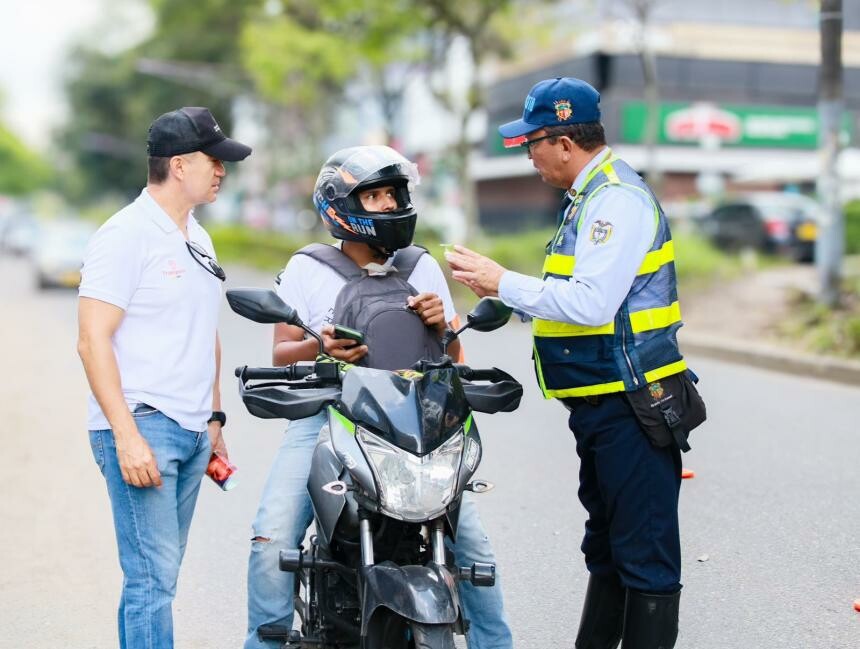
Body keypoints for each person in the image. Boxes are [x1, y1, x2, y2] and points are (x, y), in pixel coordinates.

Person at [446, 78, 689, 648]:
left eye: (531, 144)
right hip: (603, 403)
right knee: (607, 547)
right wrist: (506, 292)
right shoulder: (588, 197)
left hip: (633, 402)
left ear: (562, 142)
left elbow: (591, 303)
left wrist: (503, 282)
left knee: (644, 553)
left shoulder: (616, 200)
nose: (528, 156)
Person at [244, 145, 513, 649]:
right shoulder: (307, 268)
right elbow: (281, 353)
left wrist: (441, 326)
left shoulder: (420, 266)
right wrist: (321, 346)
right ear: (341, 207)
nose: (389, 204)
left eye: (392, 193)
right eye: (374, 195)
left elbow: (454, 355)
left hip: (414, 423)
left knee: (475, 549)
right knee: (271, 540)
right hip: (328, 416)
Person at [77, 107, 251, 649]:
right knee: (151, 580)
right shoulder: (124, 235)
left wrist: (215, 417)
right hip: (144, 425)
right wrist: (126, 437)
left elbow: (205, 333)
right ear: (178, 165)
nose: (222, 170)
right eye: (213, 160)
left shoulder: (198, 236)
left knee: (159, 578)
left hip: (194, 430)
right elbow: (92, 340)